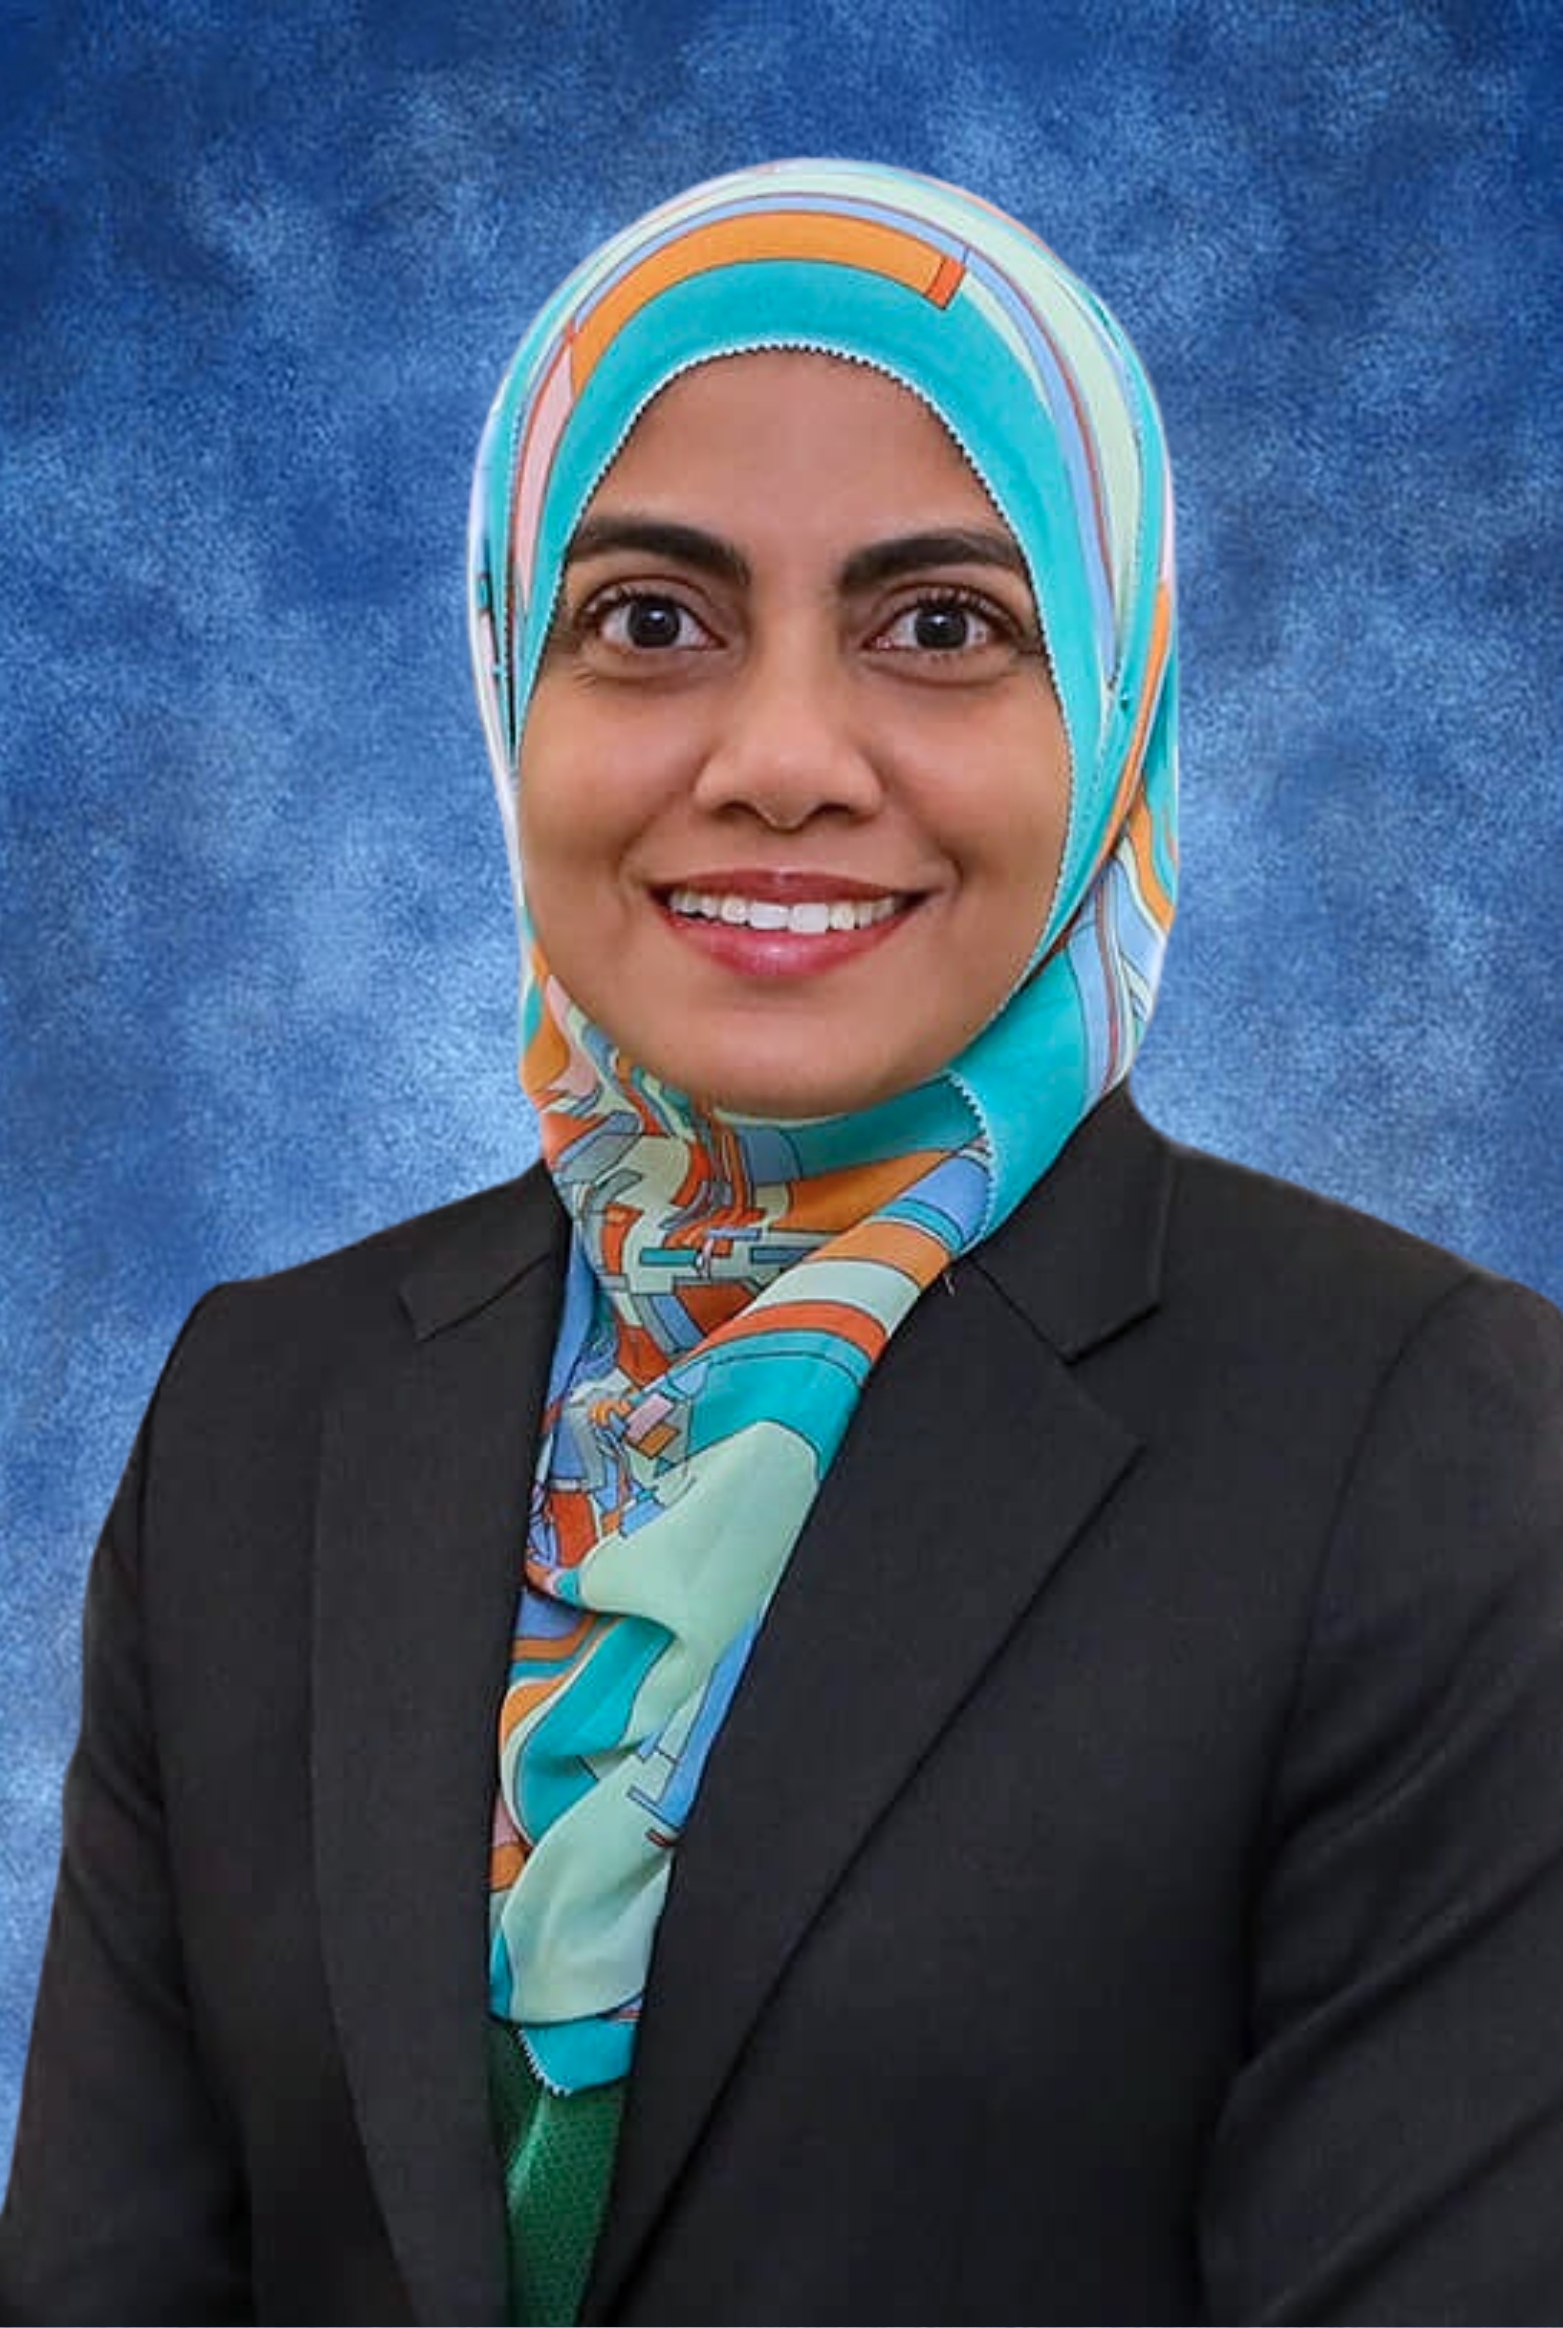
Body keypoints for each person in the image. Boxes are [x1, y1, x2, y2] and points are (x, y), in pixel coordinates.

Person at [4, 157, 1563, 2328]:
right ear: (510, 679)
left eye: (942, 626)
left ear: (1112, 698)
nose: (783, 761)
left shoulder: (1425, 1441)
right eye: (653, 621)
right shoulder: (263, 1412)